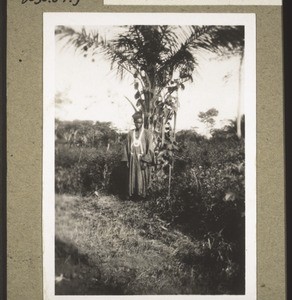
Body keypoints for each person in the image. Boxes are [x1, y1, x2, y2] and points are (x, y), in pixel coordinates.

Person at [122, 111, 154, 199]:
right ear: (134, 123)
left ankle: (141, 195)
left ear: (142, 123)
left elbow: (150, 148)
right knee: (132, 176)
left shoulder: (147, 133)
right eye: (136, 122)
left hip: (142, 159)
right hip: (132, 159)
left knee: (141, 176)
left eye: (140, 122)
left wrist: (146, 160)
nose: (138, 124)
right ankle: (132, 193)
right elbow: (125, 147)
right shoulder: (130, 134)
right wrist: (126, 160)